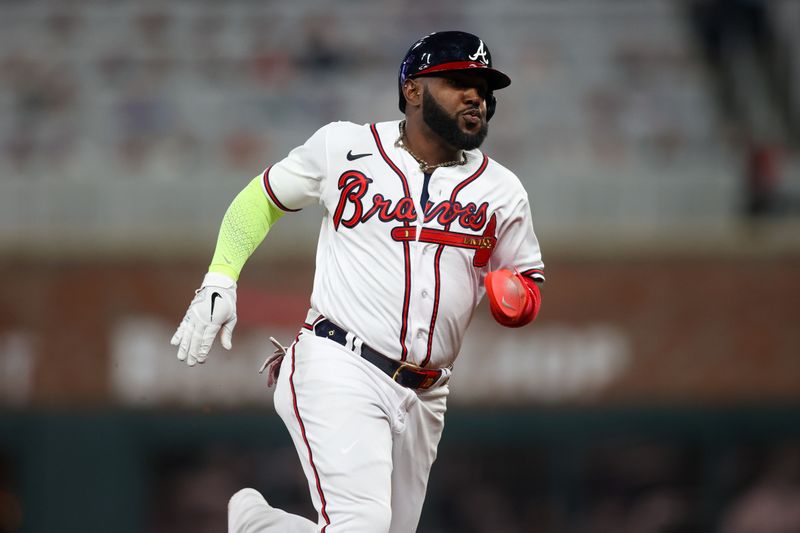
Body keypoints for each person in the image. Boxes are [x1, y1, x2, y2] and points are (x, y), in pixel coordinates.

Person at [171, 30, 545, 533]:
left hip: (427, 392)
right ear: (413, 90)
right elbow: (260, 199)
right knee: (360, 526)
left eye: (484, 86)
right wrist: (221, 276)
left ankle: (261, 527)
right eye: (459, 81)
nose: (476, 95)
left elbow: (526, 283)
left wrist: (520, 299)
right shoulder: (345, 146)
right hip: (341, 360)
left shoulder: (502, 189)